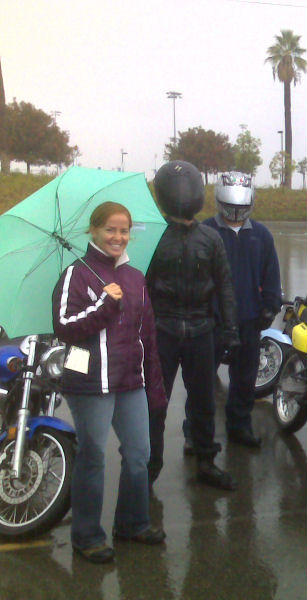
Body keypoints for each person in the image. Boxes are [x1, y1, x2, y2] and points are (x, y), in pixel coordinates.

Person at [52, 201, 167, 564]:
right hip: (88, 381)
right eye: (110, 230)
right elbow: (64, 328)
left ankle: (132, 523)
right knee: (93, 457)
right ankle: (87, 535)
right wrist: (103, 304)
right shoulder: (77, 273)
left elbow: (147, 334)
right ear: (94, 231)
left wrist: (156, 387)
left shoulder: (135, 277)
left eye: (124, 230)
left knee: (139, 455)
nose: (118, 237)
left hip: (129, 379)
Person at [146, 160, 240, 491]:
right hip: (164, 330)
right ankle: (149, 465)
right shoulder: (156, 239)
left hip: (202, 329)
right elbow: (143, 287)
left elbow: (224, 286)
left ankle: (205, 460)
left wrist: (230, 329)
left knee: (202, 401)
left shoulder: (211, 239)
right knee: (155, 403)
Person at [201, 171, 282, 448]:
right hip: (211, 320)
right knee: (201, 382)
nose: (235, 214)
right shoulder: (205, 232)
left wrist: (270, 306)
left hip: (248, 318)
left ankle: (240, 425)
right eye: (231, 208)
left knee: (245, 380)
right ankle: (197, 433)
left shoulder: (261, 236)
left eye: (241, 209)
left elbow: (271, 275)